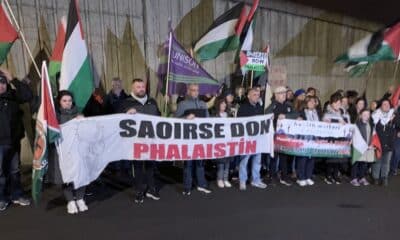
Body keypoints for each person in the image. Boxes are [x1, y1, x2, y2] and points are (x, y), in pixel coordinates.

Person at [119, 78, 161, 203]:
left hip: (151, 140)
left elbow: (159, 117)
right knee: (137, 167)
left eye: (142, 86)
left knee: (150, 166)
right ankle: (139, 190)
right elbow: (118, 120)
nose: (141, 89)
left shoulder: (152, 101)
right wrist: (126, 114)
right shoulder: (126, 102)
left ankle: (151, 189)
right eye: (138, 87)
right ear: (132, 88)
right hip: (135, 141)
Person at [47, 90, 87, 214]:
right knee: (66, 176)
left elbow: (87, 133)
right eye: (64, 101)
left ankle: (80, 198)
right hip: (63, 152)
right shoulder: (55, 116)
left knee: (81, 174)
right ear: (59, 102)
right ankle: (70, 200)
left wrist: (84, 121)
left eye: (69, 100)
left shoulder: (79, 114)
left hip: (78, 150)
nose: (67, 103)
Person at [0, 71, 32, 211]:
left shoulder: (13, 96)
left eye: (2, 82)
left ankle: (16, 194)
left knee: (15, 170)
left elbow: (27, 95)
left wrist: (12, 78)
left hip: (13, 141)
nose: (0, 86)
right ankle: (1, 198)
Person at [175, 83, 212, 195]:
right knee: (188, 163)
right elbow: (175, 120)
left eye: (197, 90)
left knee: (200, 163)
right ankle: (187, 187)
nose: (195, 92)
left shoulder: (203, 104)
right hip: (188, 139)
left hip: (200, 139)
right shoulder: (182, 104)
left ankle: (202, 184)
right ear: (188, 91)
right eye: (193, 90)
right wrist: (185, 118)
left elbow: (209, 120)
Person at [265, 86, 298, 186]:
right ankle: (272, 176)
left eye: (284, 93)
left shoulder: (289, 105)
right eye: (281, 93)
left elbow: (296, 114)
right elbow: (266, 114)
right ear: (276, 95)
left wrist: (286, 116)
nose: (284, 95)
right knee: (274, 158)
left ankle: (284, 177)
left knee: (284, 157)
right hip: (275, 135)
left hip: (286, 136)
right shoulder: (273, 105)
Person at [237, 88, 267, 190]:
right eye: (254, 95)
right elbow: (239, 123)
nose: (257, 96)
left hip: (258, 138)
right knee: (244, 160)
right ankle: (242, 181)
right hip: (246, 138)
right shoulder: (243, 107)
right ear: (248, 96)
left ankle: (256, 180)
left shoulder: (259, 107)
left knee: (257, 160)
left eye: (258, 95)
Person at [371, 99, 400, 186]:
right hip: (378, 141)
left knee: (386, 161)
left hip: (389, 141)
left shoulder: (394, 115)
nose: (386, 105)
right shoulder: (375, 115)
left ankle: (384, 177)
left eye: (387, 104)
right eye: (384, 104)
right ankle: (375, 177)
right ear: (381, 106)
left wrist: (394, 118)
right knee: (377, 161)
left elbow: (398, 124)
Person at [322, 92, 349, 184]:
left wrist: (344, 123)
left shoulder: (343, 112)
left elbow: (348, 124)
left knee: (338, 158)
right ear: (331, 103)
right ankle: (328, 175)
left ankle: (335, 175)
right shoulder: (327, 112)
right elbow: (322, 125)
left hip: (340, 139)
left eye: (339, 103)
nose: (337, 105)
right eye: (335, 102)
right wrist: (326, 122)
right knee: (330, 158)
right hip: (331, 139)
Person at [297, 96, 319, 186]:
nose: (313, 103)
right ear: (306, 103)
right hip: (304, 139)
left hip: (313, 139)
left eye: (314, 102)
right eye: (311, 102)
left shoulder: (316, 113)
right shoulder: (301, 112)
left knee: (311, 158)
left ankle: (308, 176)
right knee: (303, 158)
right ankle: (301, 177)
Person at [350, 109, 374, 186]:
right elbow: (353, 134)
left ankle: (361, 177)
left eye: (368, 115)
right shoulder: (357, 124)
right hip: (358, 146)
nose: (366, 116)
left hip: (367, 146)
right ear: (360, 115)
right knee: (356, 162)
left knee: (364, 162)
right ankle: (353, 178)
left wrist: (370, 143)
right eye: (364, 114)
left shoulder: (370, 124)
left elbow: (371, 134)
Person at [214, 99, 232, 188]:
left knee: (227, 162)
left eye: (225, 103)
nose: (224, 105)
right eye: (222, 103)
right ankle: (220, 179)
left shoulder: (229, 115)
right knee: (221, 162)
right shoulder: (215, 116)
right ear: (218, 105)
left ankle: (226, 179)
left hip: (228, 141)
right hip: (219, 142)